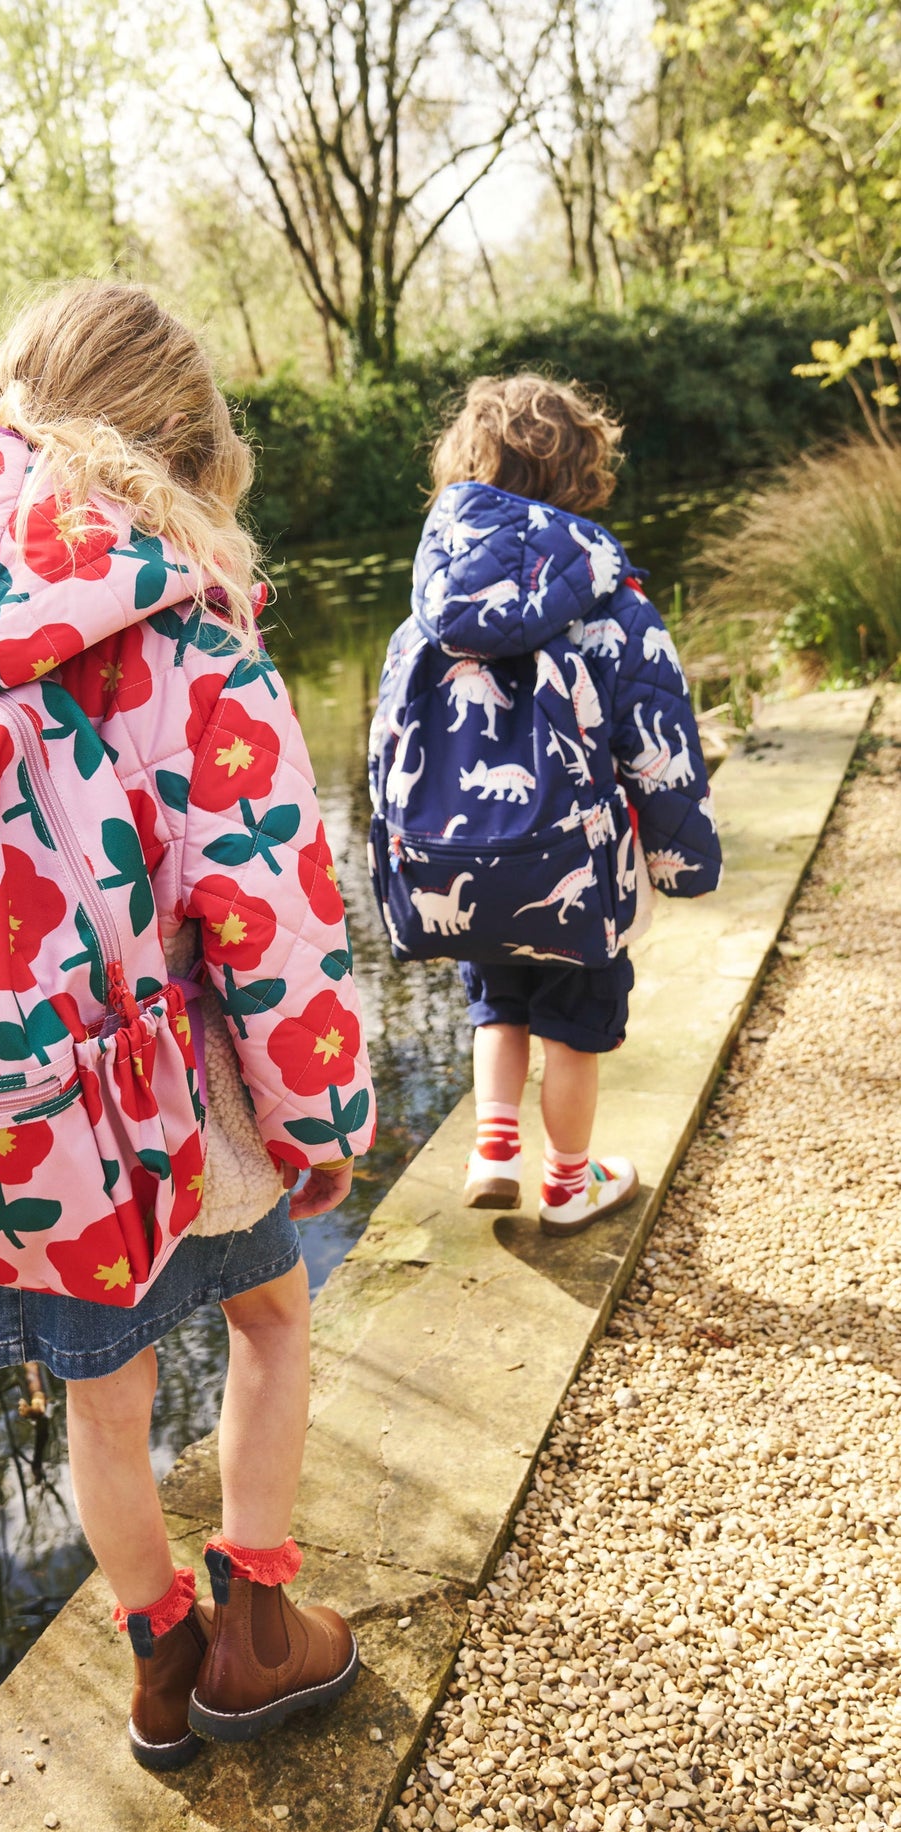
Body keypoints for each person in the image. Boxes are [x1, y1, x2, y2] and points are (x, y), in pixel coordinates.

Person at [0, 282, 376, 1767]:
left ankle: (159, 1657)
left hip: (7, 1097)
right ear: (188, 451)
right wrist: (319, 1119)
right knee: (270, 1318)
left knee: (101, 1394)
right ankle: (258, 1629)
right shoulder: (188, 635)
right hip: (174, 1089)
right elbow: (271, 912)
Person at [369, 374, 722, 1236]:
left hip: (462, 859)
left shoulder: (426, 614)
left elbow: (387, 750)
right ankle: (568, 1182)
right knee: (574, 1024)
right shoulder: (614, 604)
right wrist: (683, 862)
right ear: (580, 475)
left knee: (497, 1005)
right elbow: (660, 745)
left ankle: (492, 1152)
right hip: (579, 869)